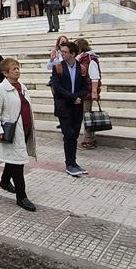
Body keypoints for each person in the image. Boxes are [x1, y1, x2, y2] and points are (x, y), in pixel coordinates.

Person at [0, 57, 37, 211]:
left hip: (25, 130)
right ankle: (21, 196)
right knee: (18, 163)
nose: (17, 71)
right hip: (12, 132)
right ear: (5, 73)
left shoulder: (21, 87)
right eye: (13, 69)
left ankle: (4, 181)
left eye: (18, 68)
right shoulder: (0, 89)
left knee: (14, 159)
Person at [50, 42, 89, 176]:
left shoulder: (81, 68)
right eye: (61, 51)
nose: (62, 54)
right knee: (68, 134)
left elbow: (85, 87)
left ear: (73, 54)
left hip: (77, 106)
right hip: (64, 106)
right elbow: (57, 87)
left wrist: (78, 97)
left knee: (75, 135)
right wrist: (72, 97)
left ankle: (73, 162)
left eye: (65, 52)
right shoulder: (58, 67)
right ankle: (69, 164)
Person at [73, 39, 102, 150]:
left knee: (87, 116)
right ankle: (90, 138)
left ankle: (88, 140)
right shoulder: (81, 58)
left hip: (87, 91)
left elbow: (95, 77)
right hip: (83, 91)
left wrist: (94, 92)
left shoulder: (90, 59)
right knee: (86, 115)